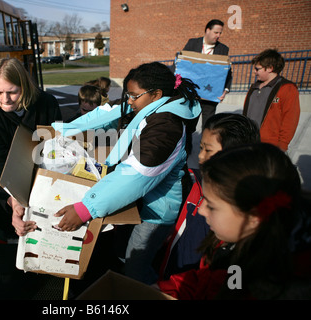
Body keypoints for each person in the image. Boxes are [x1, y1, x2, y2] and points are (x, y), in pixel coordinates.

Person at [38, 62, 202, 284]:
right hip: (134, 202)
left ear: (156, 94)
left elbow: (134, 175)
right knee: (121, 253)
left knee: (137, 265)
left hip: (155, 213)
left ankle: (150, 291)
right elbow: (106, 113)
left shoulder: (167, 127)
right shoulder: (150, 107)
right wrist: (61, 131)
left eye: (134, 96)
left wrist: (86, 208)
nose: (130, 101)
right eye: (128, 95)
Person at [157, 143, 311, 299]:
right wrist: (168, 290)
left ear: (253, 218)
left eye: (211, 205)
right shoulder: (236, 247)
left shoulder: (281, 288)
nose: (202, 210)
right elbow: (215, 281)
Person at [0, 58, 62, 238]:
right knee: (15, 237)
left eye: (12, 92)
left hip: (44, 184)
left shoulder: (47, 103)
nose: (5, 99)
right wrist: (11, 200)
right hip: (2, 194)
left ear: (25, 87)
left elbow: (57, 146)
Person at [159, 113, 260, 280]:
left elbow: (230, 284)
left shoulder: (241, 245)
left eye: (208, 150)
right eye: (200, 148)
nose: (200, 156)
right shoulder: (196, 181)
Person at [243, 49, 301, 152]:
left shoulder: (287, 88)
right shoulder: (254, 87)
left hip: (270, 147)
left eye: (257, 69)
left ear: (270, 68)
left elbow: (290, 119)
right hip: (248, 143)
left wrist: (282, 145)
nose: (254, 72)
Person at [182, 19, 232, 130]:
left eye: (220, 33)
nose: (218, 35)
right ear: (207, 30)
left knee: (208, 127)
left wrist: (226, 90)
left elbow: (227, 71)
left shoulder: (223, 49)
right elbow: (183, 65)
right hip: (192, 94)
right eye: (216, 32)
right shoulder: (192, 43)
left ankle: (204, 147)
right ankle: (187, 147)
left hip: (210, 96)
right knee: (188, 126)